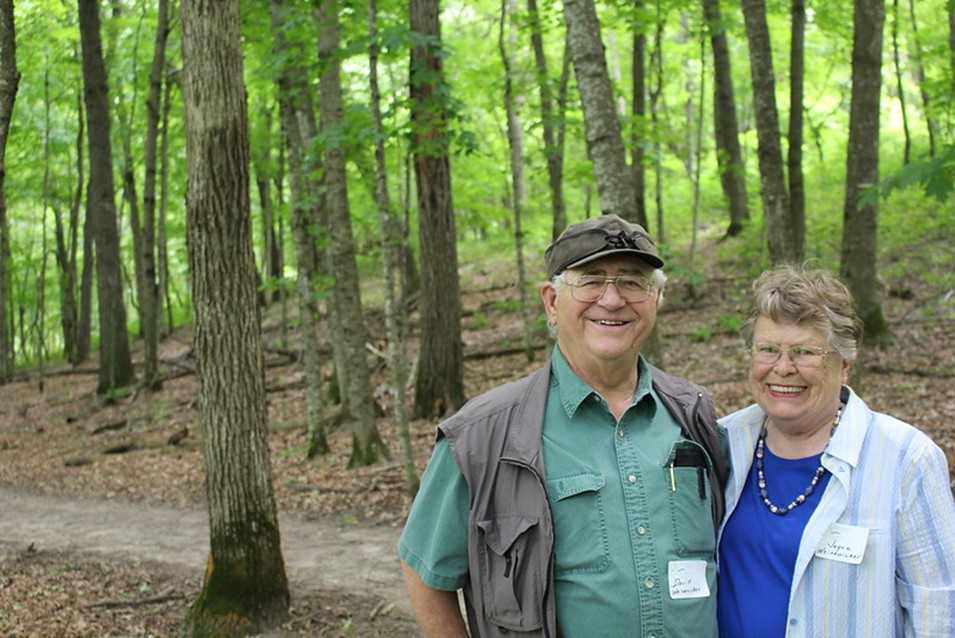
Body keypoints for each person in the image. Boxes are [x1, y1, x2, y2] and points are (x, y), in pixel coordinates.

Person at [398, 214, 728, 637]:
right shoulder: (481, 437)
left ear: (657, 298)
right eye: (591, 280)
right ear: (552, 301)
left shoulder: (695, 416)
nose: (612, 300)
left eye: (632, 281)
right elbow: (424, 570)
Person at [717, 264, 955, 637]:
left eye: (805, 352)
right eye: (767, 349)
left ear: (844, 365)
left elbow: (940, 611)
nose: (783, 368)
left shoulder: (907, 460)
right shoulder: (724, 441)